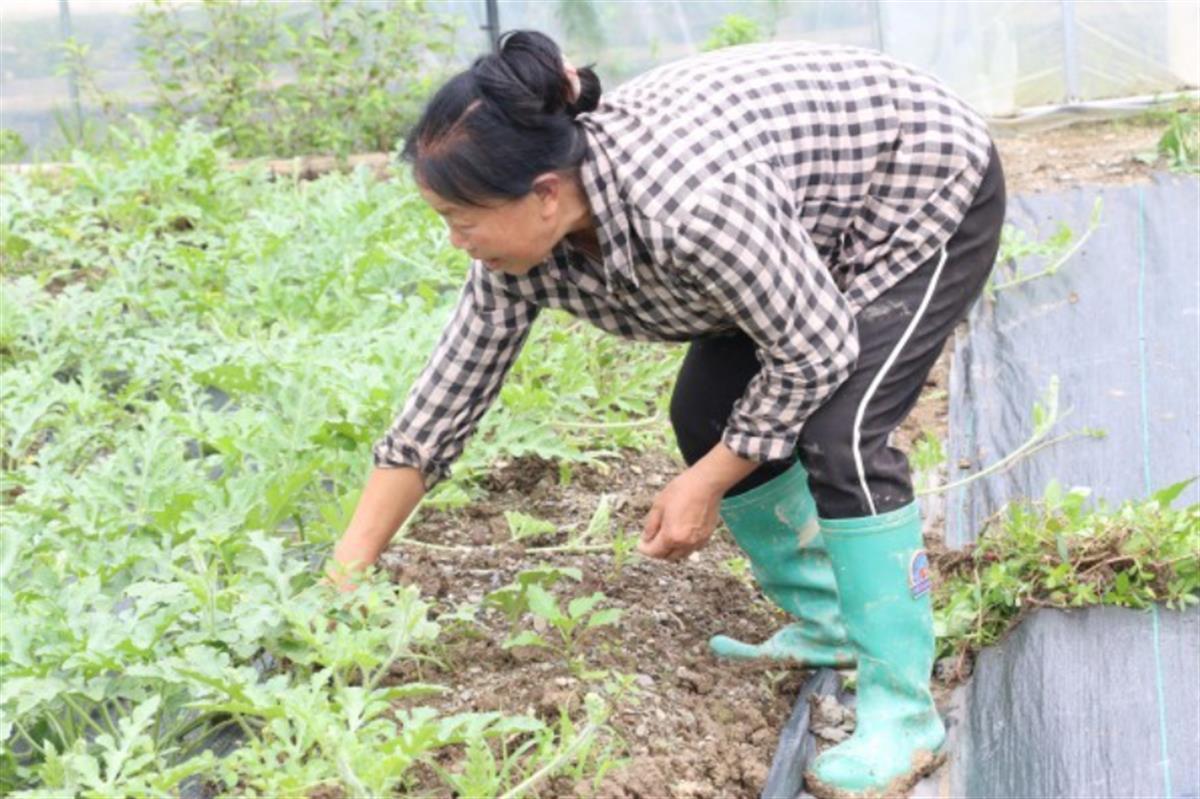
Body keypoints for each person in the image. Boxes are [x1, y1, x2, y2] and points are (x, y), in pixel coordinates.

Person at [327, 30, 1005, 798]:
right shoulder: (520, 258)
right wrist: (347, 566)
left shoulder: (691, 206)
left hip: (913, 188)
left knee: (841, 434)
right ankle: (831, 622)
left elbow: (817, 349)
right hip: (794, 224)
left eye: (462, 218)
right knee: (706, 412)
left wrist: (708, 483)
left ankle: (903, 711)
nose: (456, 241)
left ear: (545, 192)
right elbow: (445, 399)